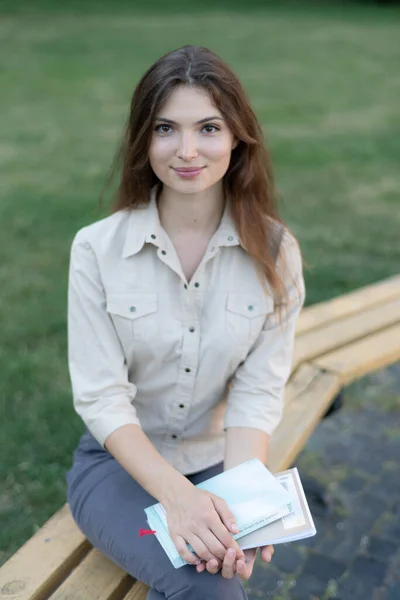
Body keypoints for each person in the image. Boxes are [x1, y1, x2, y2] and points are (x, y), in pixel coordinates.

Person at [66, 45, 305, 600]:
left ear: (238, 136)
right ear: (143, 139)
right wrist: (179, 499)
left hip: (218, 462)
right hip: (118, 467)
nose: (188, 150)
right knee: (209, 587)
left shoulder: (276, 252)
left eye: (210, 127)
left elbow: (257, 392)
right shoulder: (97, 250)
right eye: (166, 128)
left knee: (217, 571)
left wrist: (243, 502)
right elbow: (101, 396)